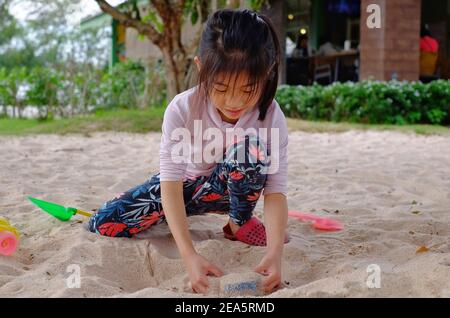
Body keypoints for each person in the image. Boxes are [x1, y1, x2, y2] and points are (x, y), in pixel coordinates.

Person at [88, 9, 290, 295]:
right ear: (201, 67)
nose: (233, 101)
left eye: (247, 90)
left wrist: (275, 254)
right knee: (103, 223)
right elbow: (169, 183)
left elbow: (276, 190)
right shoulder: (182, 108)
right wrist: (189, 255)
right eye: (220, 87)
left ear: (267, 72)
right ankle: (174, 218)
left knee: (251, 151)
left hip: (232, 189)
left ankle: (238, 223)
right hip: (185, 189)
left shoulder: (270, 116)